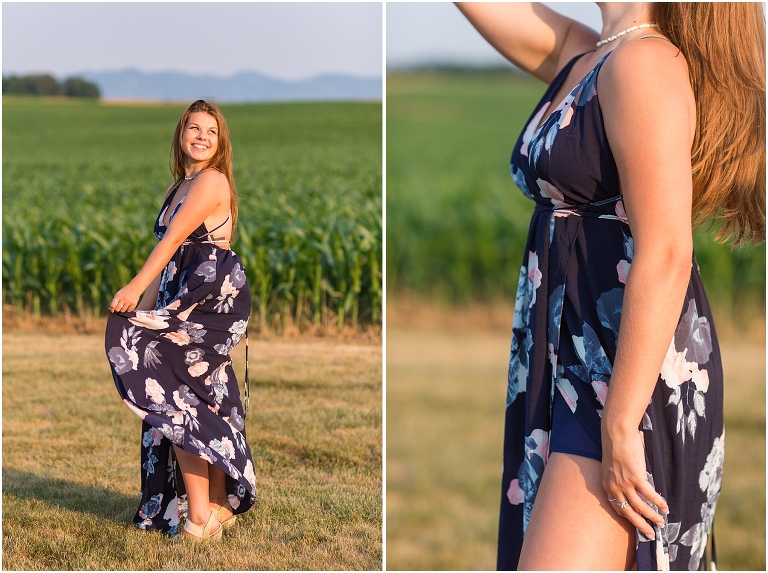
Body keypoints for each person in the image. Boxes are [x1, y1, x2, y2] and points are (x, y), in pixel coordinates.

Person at [456, 2, 764, 570]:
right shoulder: (591, 52)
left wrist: (621, 421)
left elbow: (667, 249)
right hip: (570, 358)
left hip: (626, 373)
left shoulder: (644, 63)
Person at [105, 100, 255, 543]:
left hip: (208, 296)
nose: (202, 136)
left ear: (220, 141)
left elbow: (173, 241)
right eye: (195, 128)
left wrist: (134, 287)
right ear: (181, 134)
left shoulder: (211, 180)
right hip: (180, 289)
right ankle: (213, 505)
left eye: (211, 131)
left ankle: (201, 519)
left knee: (173, 393)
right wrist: (141, 311)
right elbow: (170, 257)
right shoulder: (179, 187)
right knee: (197, 394)